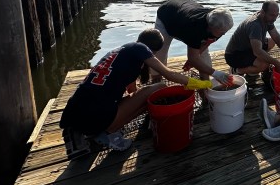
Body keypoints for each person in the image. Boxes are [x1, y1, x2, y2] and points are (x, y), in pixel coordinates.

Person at [59, 29, 212, 157]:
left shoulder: (122, 52)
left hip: (75, 110)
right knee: (158, 88)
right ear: (154, 51)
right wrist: (204, 84)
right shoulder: (141, 50)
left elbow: (133, 92)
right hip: (97, 116)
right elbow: (169, 74)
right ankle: (107, 133)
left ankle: (88, 129)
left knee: (145, 98)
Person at [154, 0, 234, 85]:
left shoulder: (219, 17)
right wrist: (216, 73)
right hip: (167, 16)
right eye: (222, 32)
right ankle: (156, 81)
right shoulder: (194, 28)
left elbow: (207, 42)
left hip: (185, 13)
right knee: (160, 51)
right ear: (210, 27)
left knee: (203, 57)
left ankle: (206, 85)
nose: (224, 34)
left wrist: (193, 59)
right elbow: (193, 58)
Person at [225, 0, 280, 77]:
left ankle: (252, 67)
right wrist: (278, 64)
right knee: (264, 65)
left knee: (272, 42)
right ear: (263, 12)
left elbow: (276, 36)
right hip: (234, 55)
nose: (274, 19)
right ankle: (237, 70)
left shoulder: (268, 19)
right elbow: (257, 51)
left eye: (276, 15)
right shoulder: (255, 25)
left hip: (249, 48)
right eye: (272, 15)